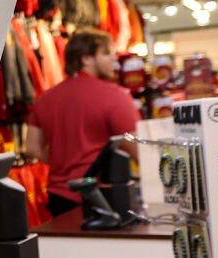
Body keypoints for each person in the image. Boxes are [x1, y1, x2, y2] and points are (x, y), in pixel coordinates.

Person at [23, 28, 140, 220]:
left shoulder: (45, 99)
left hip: (59, 197)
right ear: (86, 59)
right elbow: (138, 150)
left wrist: (65, 160)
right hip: (103, 198)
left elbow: (32, 148)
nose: (114, 59)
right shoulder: (115, 97)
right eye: (106, 53)